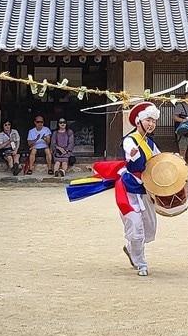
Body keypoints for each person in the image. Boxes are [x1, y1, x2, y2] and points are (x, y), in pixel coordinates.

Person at [65, 102, 163, 277]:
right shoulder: (129, 140)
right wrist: (132, 154)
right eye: (148, 119)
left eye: (153, 121)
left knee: (149, 227)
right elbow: (130, 154)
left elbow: (159, 160)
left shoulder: (150, 143)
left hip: (145, 189)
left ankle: (130, 247)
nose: (151, 124)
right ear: (139, 121)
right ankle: (141, 263)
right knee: (135, 225)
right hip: (128, 188)